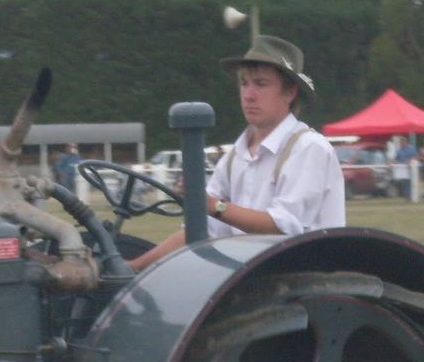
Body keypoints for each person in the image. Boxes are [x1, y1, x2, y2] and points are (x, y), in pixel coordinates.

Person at [129, 35, 344, 272]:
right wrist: (134, 268)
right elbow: (201, 229)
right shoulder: (234, 158)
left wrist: (214, 206)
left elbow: (284, 227)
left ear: (290, 92)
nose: (249, 94)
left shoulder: (309, 148)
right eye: (244, 83)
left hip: (305, 278)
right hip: (254, 278)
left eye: (261, 84)